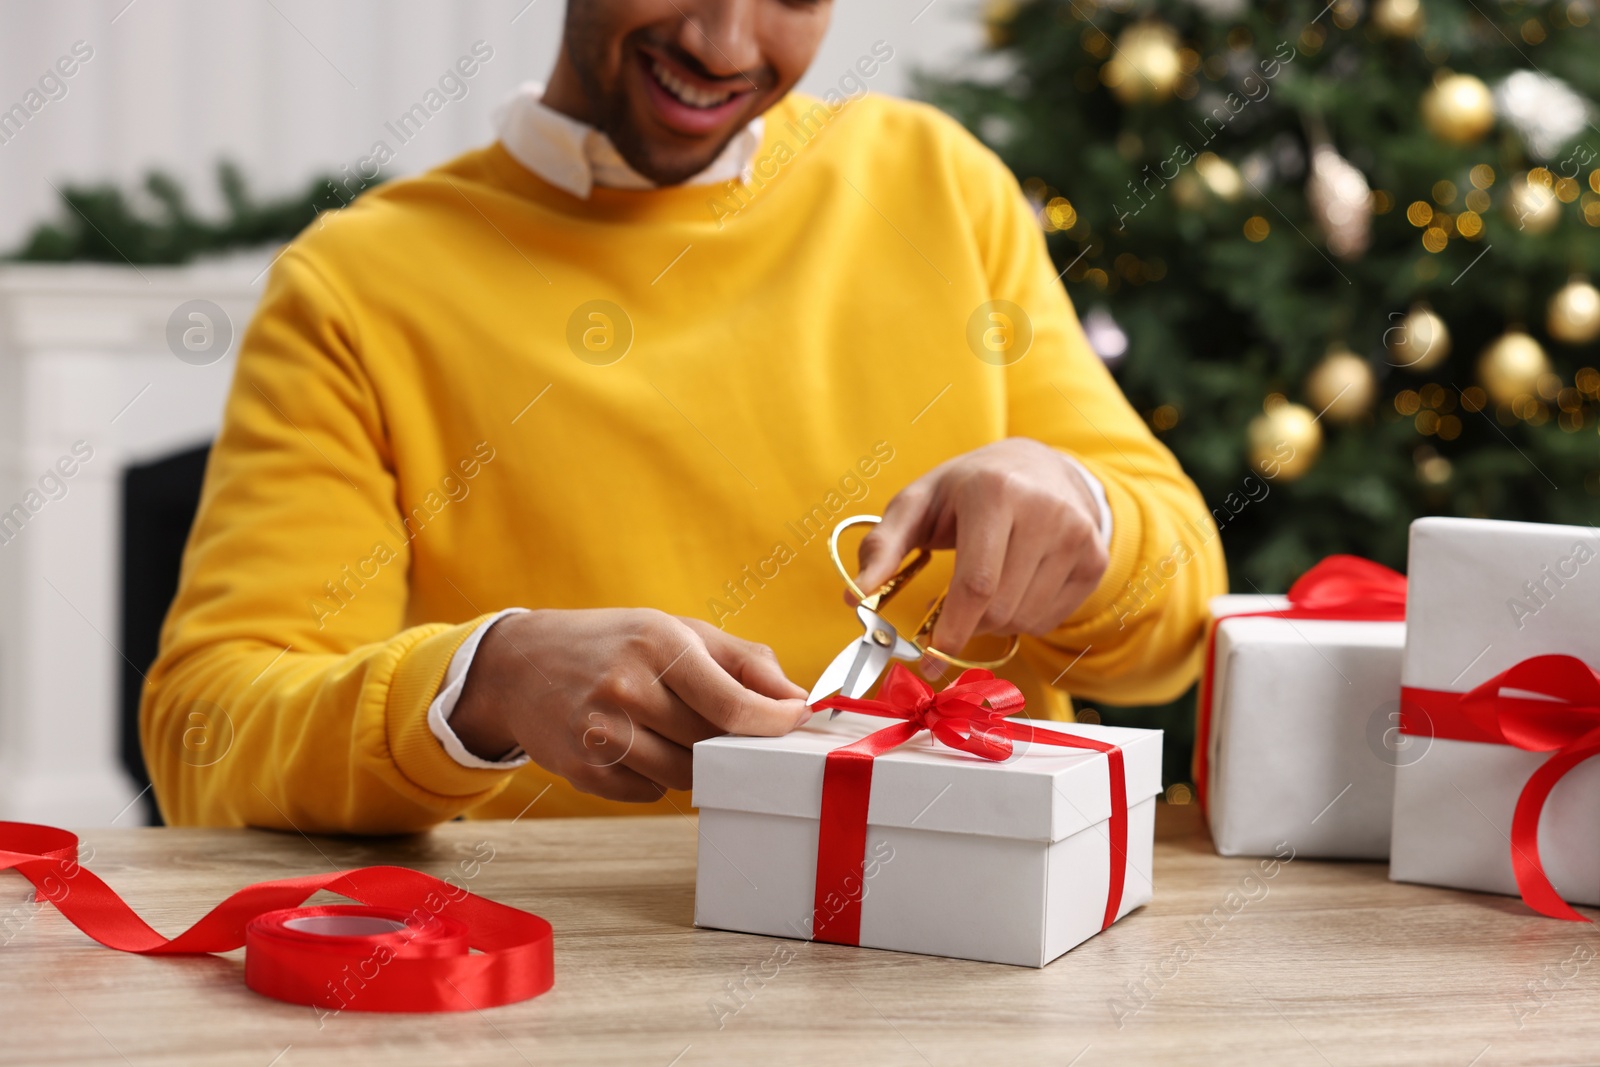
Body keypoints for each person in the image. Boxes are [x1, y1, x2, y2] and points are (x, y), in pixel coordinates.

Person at [141, 0, 1226, 831]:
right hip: (574, 985)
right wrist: (482, 680)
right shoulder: (358, 285)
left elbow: (1179, 631)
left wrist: (1082, 513)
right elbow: (205, 733)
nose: (723, 42)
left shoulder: (936, 183)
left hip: (975, 951)